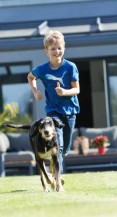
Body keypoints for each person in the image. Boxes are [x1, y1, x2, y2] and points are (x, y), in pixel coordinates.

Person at [27, 30, 80, 172]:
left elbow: (77, 90)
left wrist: (64, 92)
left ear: (64, 48)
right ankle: (58, 175)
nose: (57, 51)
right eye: (53, 49)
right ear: (46, 51)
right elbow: (30, 77)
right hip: (53, 110)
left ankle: (57, 160)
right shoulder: (42, 70)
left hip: (70, 111)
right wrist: (35, 91)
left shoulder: (70, 67)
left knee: (66, 146)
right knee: (59, 143)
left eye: (59, 48)